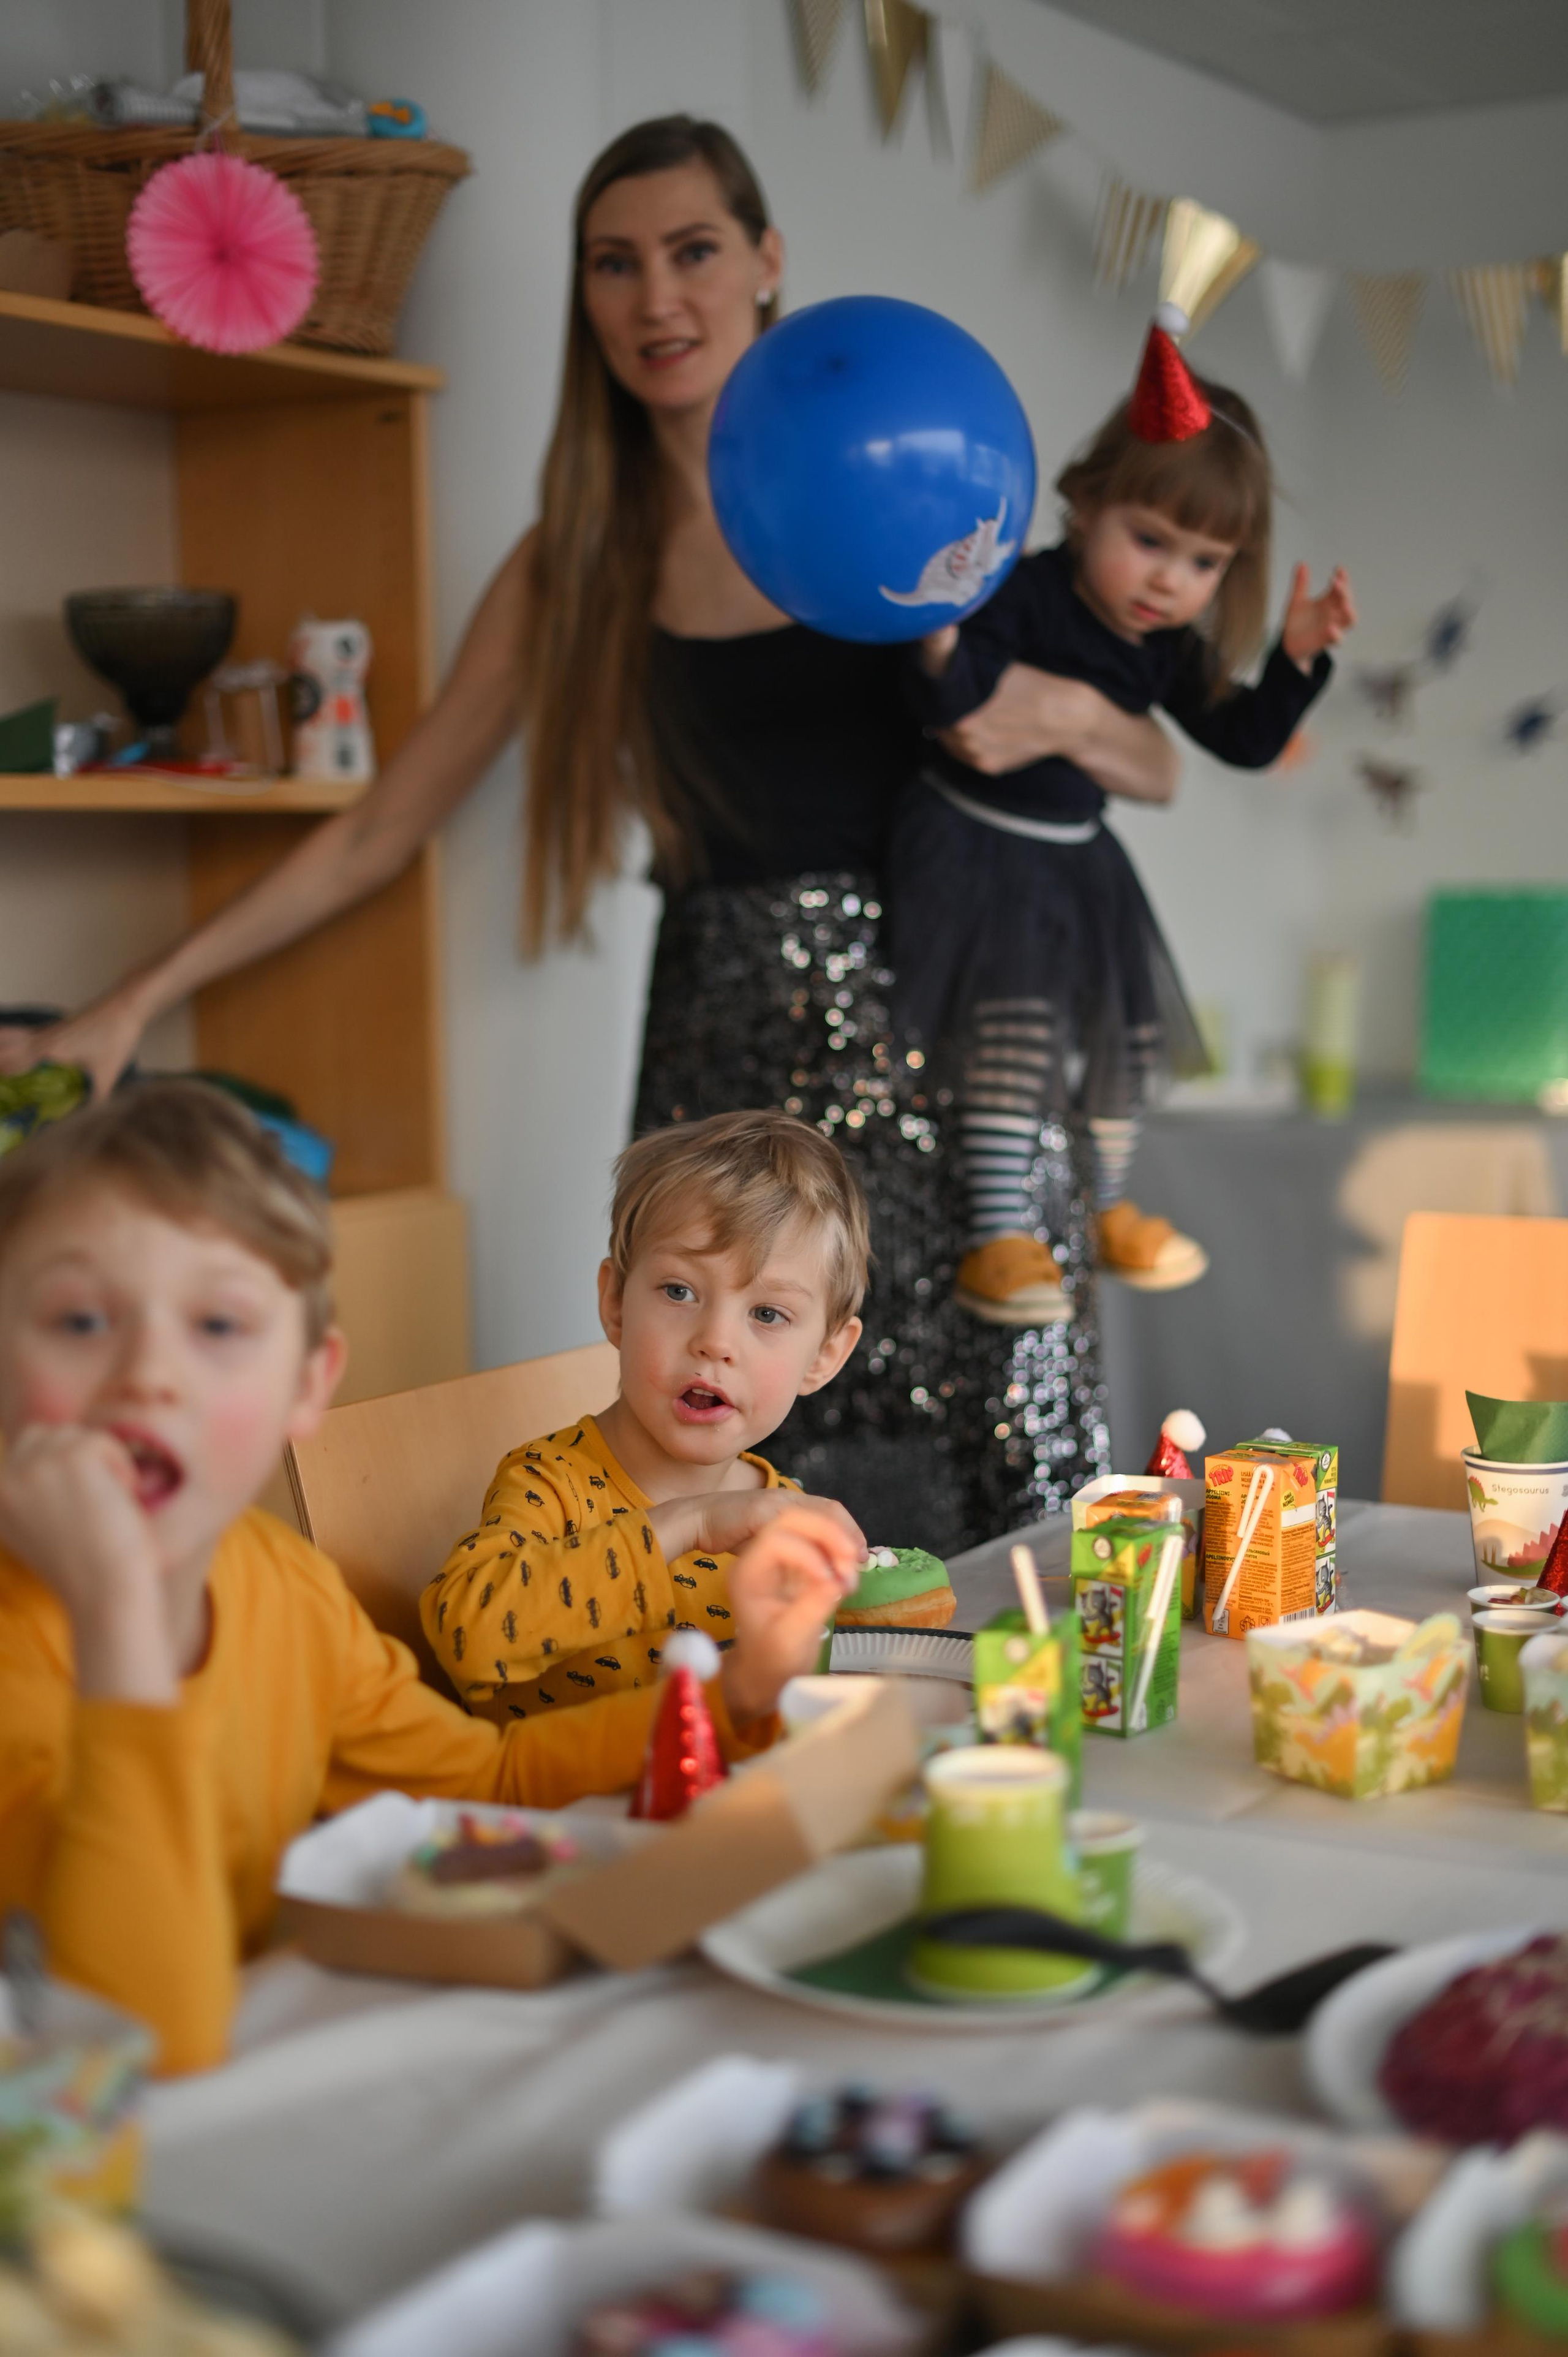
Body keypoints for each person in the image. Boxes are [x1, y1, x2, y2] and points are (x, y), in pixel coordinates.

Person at [0, 116, 1177, 1548]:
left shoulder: (894, 476)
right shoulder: (582, 550)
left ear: (765, 263)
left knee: (1009, 1449)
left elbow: (1148, 758)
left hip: (943, 1032)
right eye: (611, 265)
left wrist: (1039, 717)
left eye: (690, 251)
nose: (653, 298)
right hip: (719, 1049)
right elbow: (384, 826)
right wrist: (131, 1004)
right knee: (728, 1496)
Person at [0, 1081, 859, 2073]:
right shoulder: (42, 1641)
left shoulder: (284, 1586)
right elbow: (138, 2047)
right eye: (78, 1320)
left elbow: (484, 1776)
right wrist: (119, 1621)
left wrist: (738, 1693)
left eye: (219, 1327)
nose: (148, 1373)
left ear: (305, 1384)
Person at [893, 309, 1356, 1326]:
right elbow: (957, 709)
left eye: (1204, 562)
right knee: (1008, 1049)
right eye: (1149, 541)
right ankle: (999, 1235)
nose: (1169, 580)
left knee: (1125, 1044)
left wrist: (1295, 662)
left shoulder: (1169, 645)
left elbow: (1238, 741)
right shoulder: (1026, 594)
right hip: (979, 852)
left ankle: (1108, 1207)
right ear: (1085, 503)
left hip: (1077, 866)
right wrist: (934, 632)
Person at [423, 1109, 868, 1719]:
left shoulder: (781, 1520)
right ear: (615, 1303)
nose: (715, 1340)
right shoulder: (550, 1482)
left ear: (824, 1355)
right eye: (680, 1291)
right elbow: (465, 1638)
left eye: (767, 1314)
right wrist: (689, 1525)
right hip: (558, 1811)